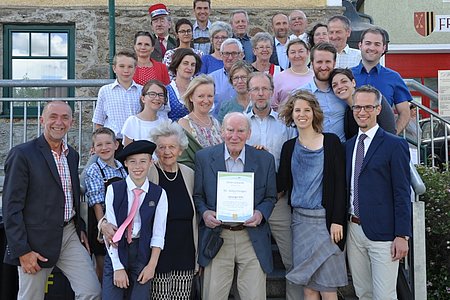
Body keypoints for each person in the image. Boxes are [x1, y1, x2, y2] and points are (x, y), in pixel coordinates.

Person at [3, 101, 101, 300]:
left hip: (69, 233)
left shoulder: (71, 155)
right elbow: (11, 207)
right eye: (53, 117)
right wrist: (22, 250)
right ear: (42, 121)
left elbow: (70, 196)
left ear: (72, 122)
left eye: (65, 117)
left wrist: (80, 227)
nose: (59, 122)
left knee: (91, 291)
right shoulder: (22, 154)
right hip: (35, 239)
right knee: (32, 297)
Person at [193, 112, 277, 300]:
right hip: (218, 237)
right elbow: (198, 196)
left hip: (251, 238)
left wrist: (261, 214)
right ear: (222, 131)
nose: (235, 136)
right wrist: (205, 213)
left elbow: (271, 197)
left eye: (241, 131)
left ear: (249, 134)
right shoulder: (204, 158)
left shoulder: (265, 159)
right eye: (230, 130)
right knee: (213, 296)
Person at [278, 90, 348, 300]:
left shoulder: (332, 142)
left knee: (328, 288)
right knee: (308, 287)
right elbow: (280, 184)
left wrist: (337, 220)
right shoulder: (288, 147)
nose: (302, 114)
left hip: (327, 224)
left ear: (314, 113)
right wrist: (258, 154)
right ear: (291, 115)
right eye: (297, 110)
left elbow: (340, 186)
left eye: (306, 110)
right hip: (300, 223)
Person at [345, 85, 411, 299]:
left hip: (384, 235)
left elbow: (402, 193)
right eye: (357, 107)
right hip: (353, 230)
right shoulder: (348, 146)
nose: (362, 112)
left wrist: (402, 235)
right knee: (363, 293)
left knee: (384, 295)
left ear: (378, 109)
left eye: (367, 107)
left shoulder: (395, 145)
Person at [245, 72, 300, 300]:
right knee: (250, 258)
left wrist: (282, 189)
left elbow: (290, 160)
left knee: (291, 257)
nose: (260, 94)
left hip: (278, 198)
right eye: (255, 89)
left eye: (264, 89)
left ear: (271, 92)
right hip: (249, 201)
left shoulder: (285, 124)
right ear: (249, 92)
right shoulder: (239, 122)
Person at [102, 140, 168, 299]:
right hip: (117, 251)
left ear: (151, 162)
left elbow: (159, 233)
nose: (138, 166)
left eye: (143, 161)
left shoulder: (159, 193)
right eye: (132, 162)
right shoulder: (114, 190)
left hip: (142, 253)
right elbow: (110, 233)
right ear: (125, 163)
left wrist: (151, 266)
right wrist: (117, 267)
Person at [148, 121, 198, 299]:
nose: (167, 152)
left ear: (181, 149)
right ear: (155, 150)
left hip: (185, 251)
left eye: (172, 147)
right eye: (161, 147)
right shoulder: (148, 172)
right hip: (158, 253)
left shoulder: (189, 174)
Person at [84, 127, 128, 282]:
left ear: (116, 145)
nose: (104, 148)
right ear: (93, 149)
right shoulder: (94, 171)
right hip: (103, 223)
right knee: (104, 270)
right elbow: (96, 203)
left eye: (108, 143)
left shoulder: (123, 169)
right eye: (99, 145)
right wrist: (103, 228)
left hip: (122, 222)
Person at [352, 27, 412, 134]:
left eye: (377, 44)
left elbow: (405, 112)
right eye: (368, 43)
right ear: (360, 45)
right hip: (353, 139)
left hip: (383, 141)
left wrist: (392, 135)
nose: (372, 47)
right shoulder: (348, 76)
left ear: (383, 48)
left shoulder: (394, 77)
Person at [330, 68, 396, 139]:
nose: (339, 86)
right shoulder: (347, 113)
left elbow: (390, 131)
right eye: (335, 85)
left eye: (344, 81)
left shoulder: (374, 99)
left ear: (353, 82)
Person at [300, 42, 347, 142]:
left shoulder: (343, 92)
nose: (324, 67)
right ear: (312, 63)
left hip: (341, 151)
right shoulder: (301, 94)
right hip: (312, 152)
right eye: (319, 62)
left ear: (334, 63)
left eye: (328, 62)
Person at [92, 50, 142, 145]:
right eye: (121, 66)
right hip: (112, 142)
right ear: (114, 68)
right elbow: (99, 122)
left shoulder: (142, 91)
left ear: (135, 69)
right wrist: (96, 144)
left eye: (130, 67)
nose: (126, 70)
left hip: (135, 141)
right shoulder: (105, 91)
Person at [178, 74, 223, 169]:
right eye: (201, 96)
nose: (206, 100)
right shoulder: (183, 124)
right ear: (191, 97)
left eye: (210, 96)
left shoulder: (216, 123)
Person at [121, 80, 167, 146]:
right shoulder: (132, 122)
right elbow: (127, 150)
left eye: (161, 95)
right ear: (143, 99)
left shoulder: (164, 123)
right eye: (152, 94)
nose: (157, 98)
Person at [272, 39, 313, 112]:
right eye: (293, 52)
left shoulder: (315, 77)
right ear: (288, 55)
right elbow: (273, 105)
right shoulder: (279, 78)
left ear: (308, 53)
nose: (297, 55)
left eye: (301, 51)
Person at [209, 38, 244, 117]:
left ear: (241, 55)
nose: (230, 57)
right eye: (227, 53)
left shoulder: (250, 78)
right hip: (218, 125)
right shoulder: (211, 79)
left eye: (234, 53)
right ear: (221, 55)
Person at [165, 48, 202, 121]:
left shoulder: (199, 89)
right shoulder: (166, 91)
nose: (189, 68)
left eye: (193, 65)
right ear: (177, 66)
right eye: (185, 63)